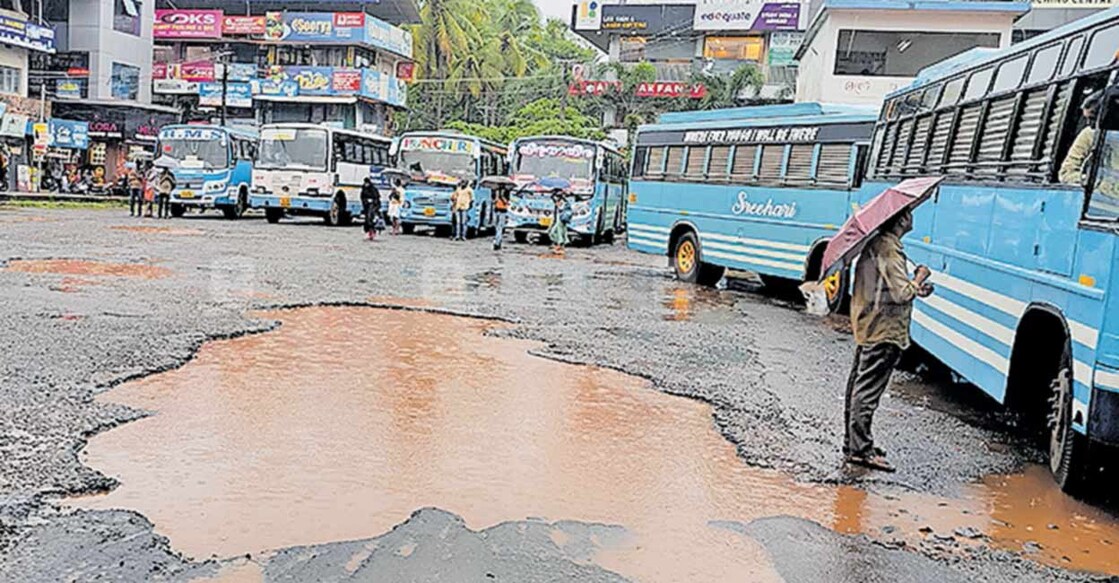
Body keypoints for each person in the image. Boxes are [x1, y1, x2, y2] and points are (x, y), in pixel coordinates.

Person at [844, 209, 934, 473]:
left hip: (869, 325)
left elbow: (887, 287)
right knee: (867, 392)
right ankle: (860, 449)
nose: (912, 217)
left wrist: (916, 288)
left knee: (857, 387)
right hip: (883, 329)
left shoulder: (876, 244)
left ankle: (854, 444)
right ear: (902, 220)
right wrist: (919, 277)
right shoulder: (889, 248)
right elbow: (901, 293)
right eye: (909, 213)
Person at [1060, 89, 1103, 185]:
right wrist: (1090, 179)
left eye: (1093, 118)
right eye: (1087, 119)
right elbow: (1066, 173)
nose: (1089, 124)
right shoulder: (1089, 135)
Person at [548, 190, 572, 255]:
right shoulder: (558, 201)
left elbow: (562, 209)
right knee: (553, 232)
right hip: (557, 219)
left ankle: (559, 246)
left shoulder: (564, 202)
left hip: (561, 220)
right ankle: (558, 245)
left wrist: (559, 205)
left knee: (558, 232)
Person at [361, 176, 382, 241]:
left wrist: (373, 202)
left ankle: (373, 233)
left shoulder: (373, 189)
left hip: (373, 207)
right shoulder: (364, 189)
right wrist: (366, 201)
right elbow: (362, 197)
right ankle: (369, 233)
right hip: (367, 207)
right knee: (367, 220)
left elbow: (377, 198)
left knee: (372, 220)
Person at [492, 185, 510, 250]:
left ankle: (497, 243)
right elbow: (493, 201)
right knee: (496, 227)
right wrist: (496, 197)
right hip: (496, 210)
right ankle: (498, 241)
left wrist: (502, 196)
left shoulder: (507, 192)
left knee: (500, 227)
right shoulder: (495, 192)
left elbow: (507, 202)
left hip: (503, 211)